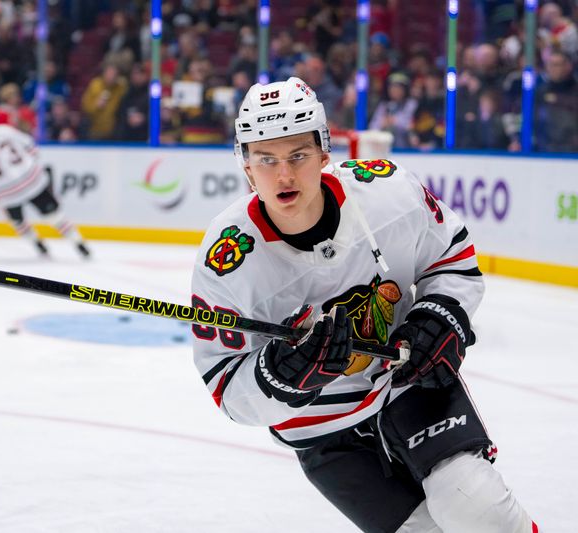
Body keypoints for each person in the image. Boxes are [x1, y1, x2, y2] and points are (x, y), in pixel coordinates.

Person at [191, 77, 535, 533]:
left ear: (325, 151)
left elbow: (451, 256)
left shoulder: (386, 192)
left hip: (408, 382)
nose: (284, 175)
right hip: (320, 430)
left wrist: (440, 315)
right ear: (246, 166)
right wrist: (282, 376)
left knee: (477, 507)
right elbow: (227, 384)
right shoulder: (227, 260)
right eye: (266, 159)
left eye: (297, 156)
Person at [0, 107, 90, 258]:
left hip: (6, 191)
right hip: (31, 179)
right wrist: (33, 167)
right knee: (53, 215)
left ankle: (37, 243)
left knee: (18, 222)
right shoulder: (3, 130)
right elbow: (30, 146)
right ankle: (78, 242)